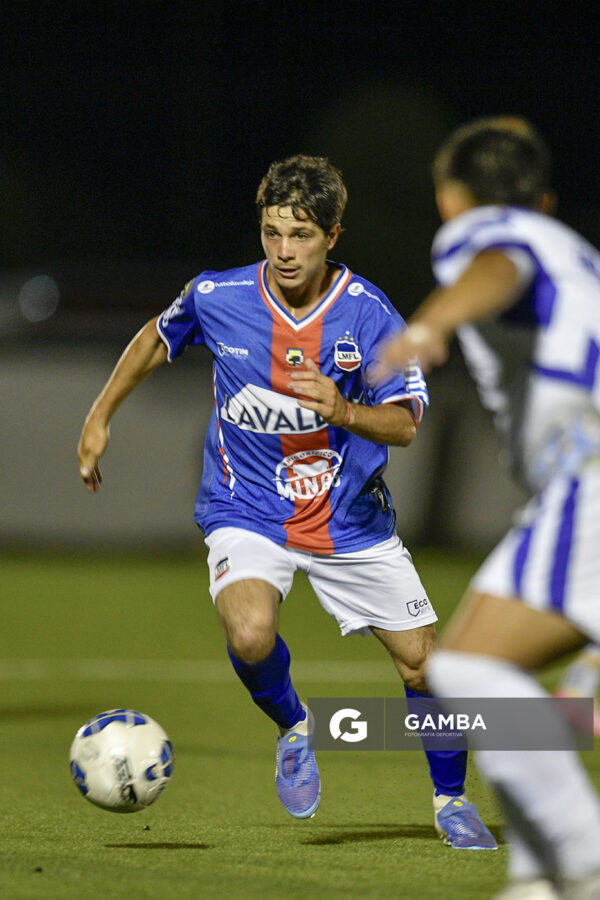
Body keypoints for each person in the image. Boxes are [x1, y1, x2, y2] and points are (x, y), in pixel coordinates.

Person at [77, 154, 495, 848]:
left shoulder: (369, 316)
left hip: (348, 518)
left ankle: (451, 800)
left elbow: (405, 424)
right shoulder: (218, 295)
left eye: (300, 235)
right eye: (272, 233)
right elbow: (156, 336)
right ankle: (295, 727)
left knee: (425, 665)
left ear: (333, 236)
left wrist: (343, 410)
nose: (284, 250)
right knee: (249, 634)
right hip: (245, 507)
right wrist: (100, 416)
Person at [376, 118, 600, 898]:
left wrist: (433, 322)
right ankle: (544, 875)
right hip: (577, 485)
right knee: (475, 669)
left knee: (470, 671)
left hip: (590, 479)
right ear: (543, 198)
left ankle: (580, 857)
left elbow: (499, 264)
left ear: (450, 198)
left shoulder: (485, 234)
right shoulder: (577, 253)